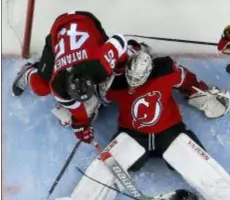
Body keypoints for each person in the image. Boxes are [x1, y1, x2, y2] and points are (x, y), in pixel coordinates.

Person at [54, 51, 230, 200]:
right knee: (104, 166)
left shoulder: (166, 70)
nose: (133, 83)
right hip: (134, 135)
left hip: (170, 132)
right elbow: (93, 98)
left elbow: (188, 82)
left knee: (198, 164)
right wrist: (80, 116)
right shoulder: (114, 81)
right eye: (130, 77)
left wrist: (202, 94)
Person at [11, 11, 140, 141]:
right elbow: (77, 112)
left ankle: (131, 50)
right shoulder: (58, 85)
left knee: (118, 68)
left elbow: (119, 40)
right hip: (60, 30)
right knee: (41, 88)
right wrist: (81, 125)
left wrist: (120, 65)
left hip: (87, 22)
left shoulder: (100, 64)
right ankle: (28, 71)